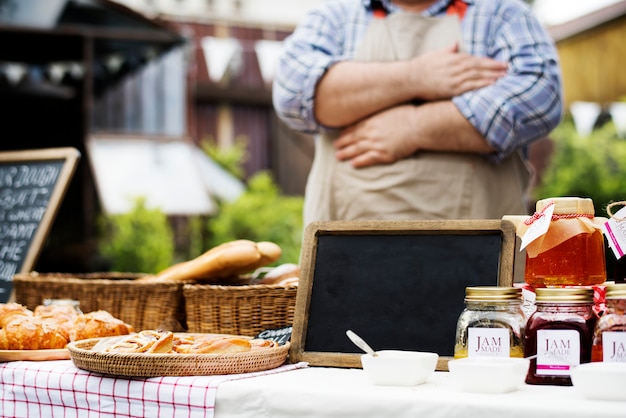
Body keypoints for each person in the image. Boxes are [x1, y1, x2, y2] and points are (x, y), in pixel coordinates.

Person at [272, 0, 563, 226]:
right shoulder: (334, 15)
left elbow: (539, 95)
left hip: (481, 275)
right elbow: (293, 91)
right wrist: (417, 76)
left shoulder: (503, 14)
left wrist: (413, 126)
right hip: (345, 266)